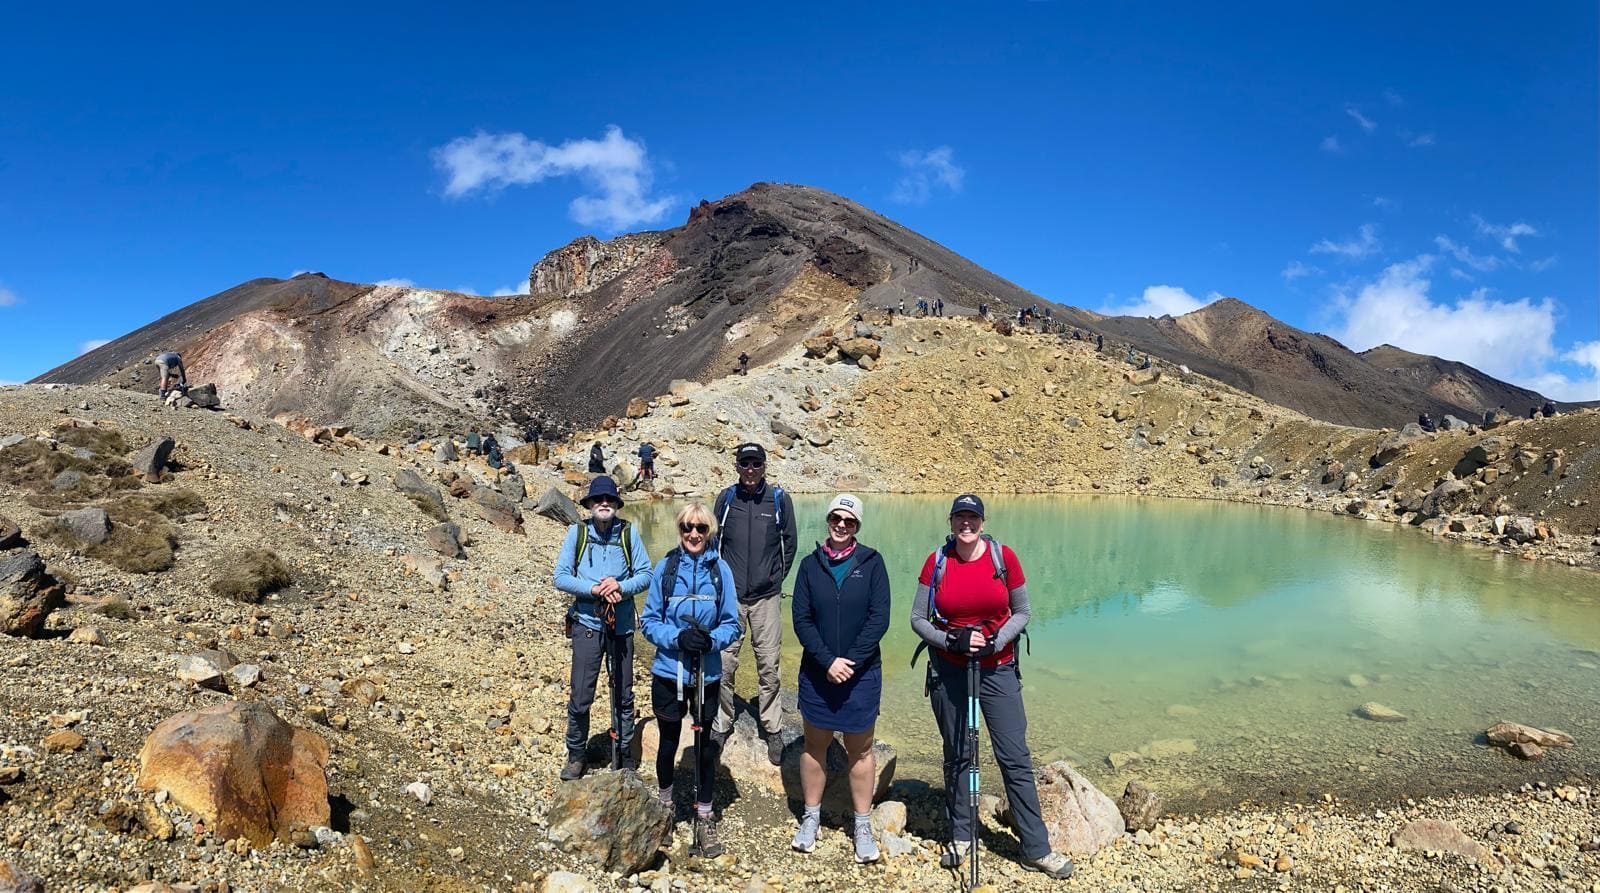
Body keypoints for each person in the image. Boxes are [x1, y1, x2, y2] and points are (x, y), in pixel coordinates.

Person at [910, 495, 1075, 880]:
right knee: (958, 753)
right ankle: (961, 834)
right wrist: (949, 640)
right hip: (951, 671)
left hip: (998, 670)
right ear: (951, 521)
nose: (966, 524)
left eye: (973, 517)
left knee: (1014, 756)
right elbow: (918, 618)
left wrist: (997, 640)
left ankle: (1036, 848)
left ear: (982, 521)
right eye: (960, 517)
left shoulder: (1004, 558)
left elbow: (1023, 612)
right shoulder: (937, 561)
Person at [789, 494, 889, 863]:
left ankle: (862, 824)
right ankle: (810, 817)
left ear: (858, 526)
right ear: (828, 520)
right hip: (818, 672)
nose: (842, 525)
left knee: (860, 749)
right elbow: (801, 619)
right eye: (836, 518)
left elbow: (879, 618)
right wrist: (828, 661)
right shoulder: (809, 565)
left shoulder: (873, 563)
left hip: (861, 674)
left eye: (849, 520)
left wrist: (850, 661)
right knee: (815, 745)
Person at [640, 503, 742, 857]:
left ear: (710, 531)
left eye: (700, 528)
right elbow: (649, 621)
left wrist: (712, 641)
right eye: (687, 527)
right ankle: (666, 806)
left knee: (703, 747)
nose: (694, 534)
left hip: (707, 672)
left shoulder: (721, 570)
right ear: (679, 529)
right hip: (670, 671)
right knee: (668, 741)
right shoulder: (665, 568)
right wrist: (677, 638)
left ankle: (704, 814)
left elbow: (733, 623)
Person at [552, 476, 653, 781]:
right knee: (582, 693)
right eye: (598, 500)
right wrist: (596, 589)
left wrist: (620, 586)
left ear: (617, 504)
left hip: (621, 626)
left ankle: (622, 751)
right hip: (586, 624)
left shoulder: (629, 533)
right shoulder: (577, 533)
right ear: (590, 505)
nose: (604, 504)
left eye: (609, 499)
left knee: (623, 691)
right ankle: (576, 754)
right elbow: (560, 577)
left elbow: (646, 574)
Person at [711, 443, 797, 764]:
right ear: (736, 466)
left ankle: (772, 727)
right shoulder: (726, 500)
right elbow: (712, 541)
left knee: (769, 664)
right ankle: (721, 722)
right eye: (745, 464)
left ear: (764, 466)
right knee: (723, 662)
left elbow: (790, 543)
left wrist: (775, 579)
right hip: (730, 598)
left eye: (756, 464)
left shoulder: (778, 500)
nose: (750, 470)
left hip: (766, 597)